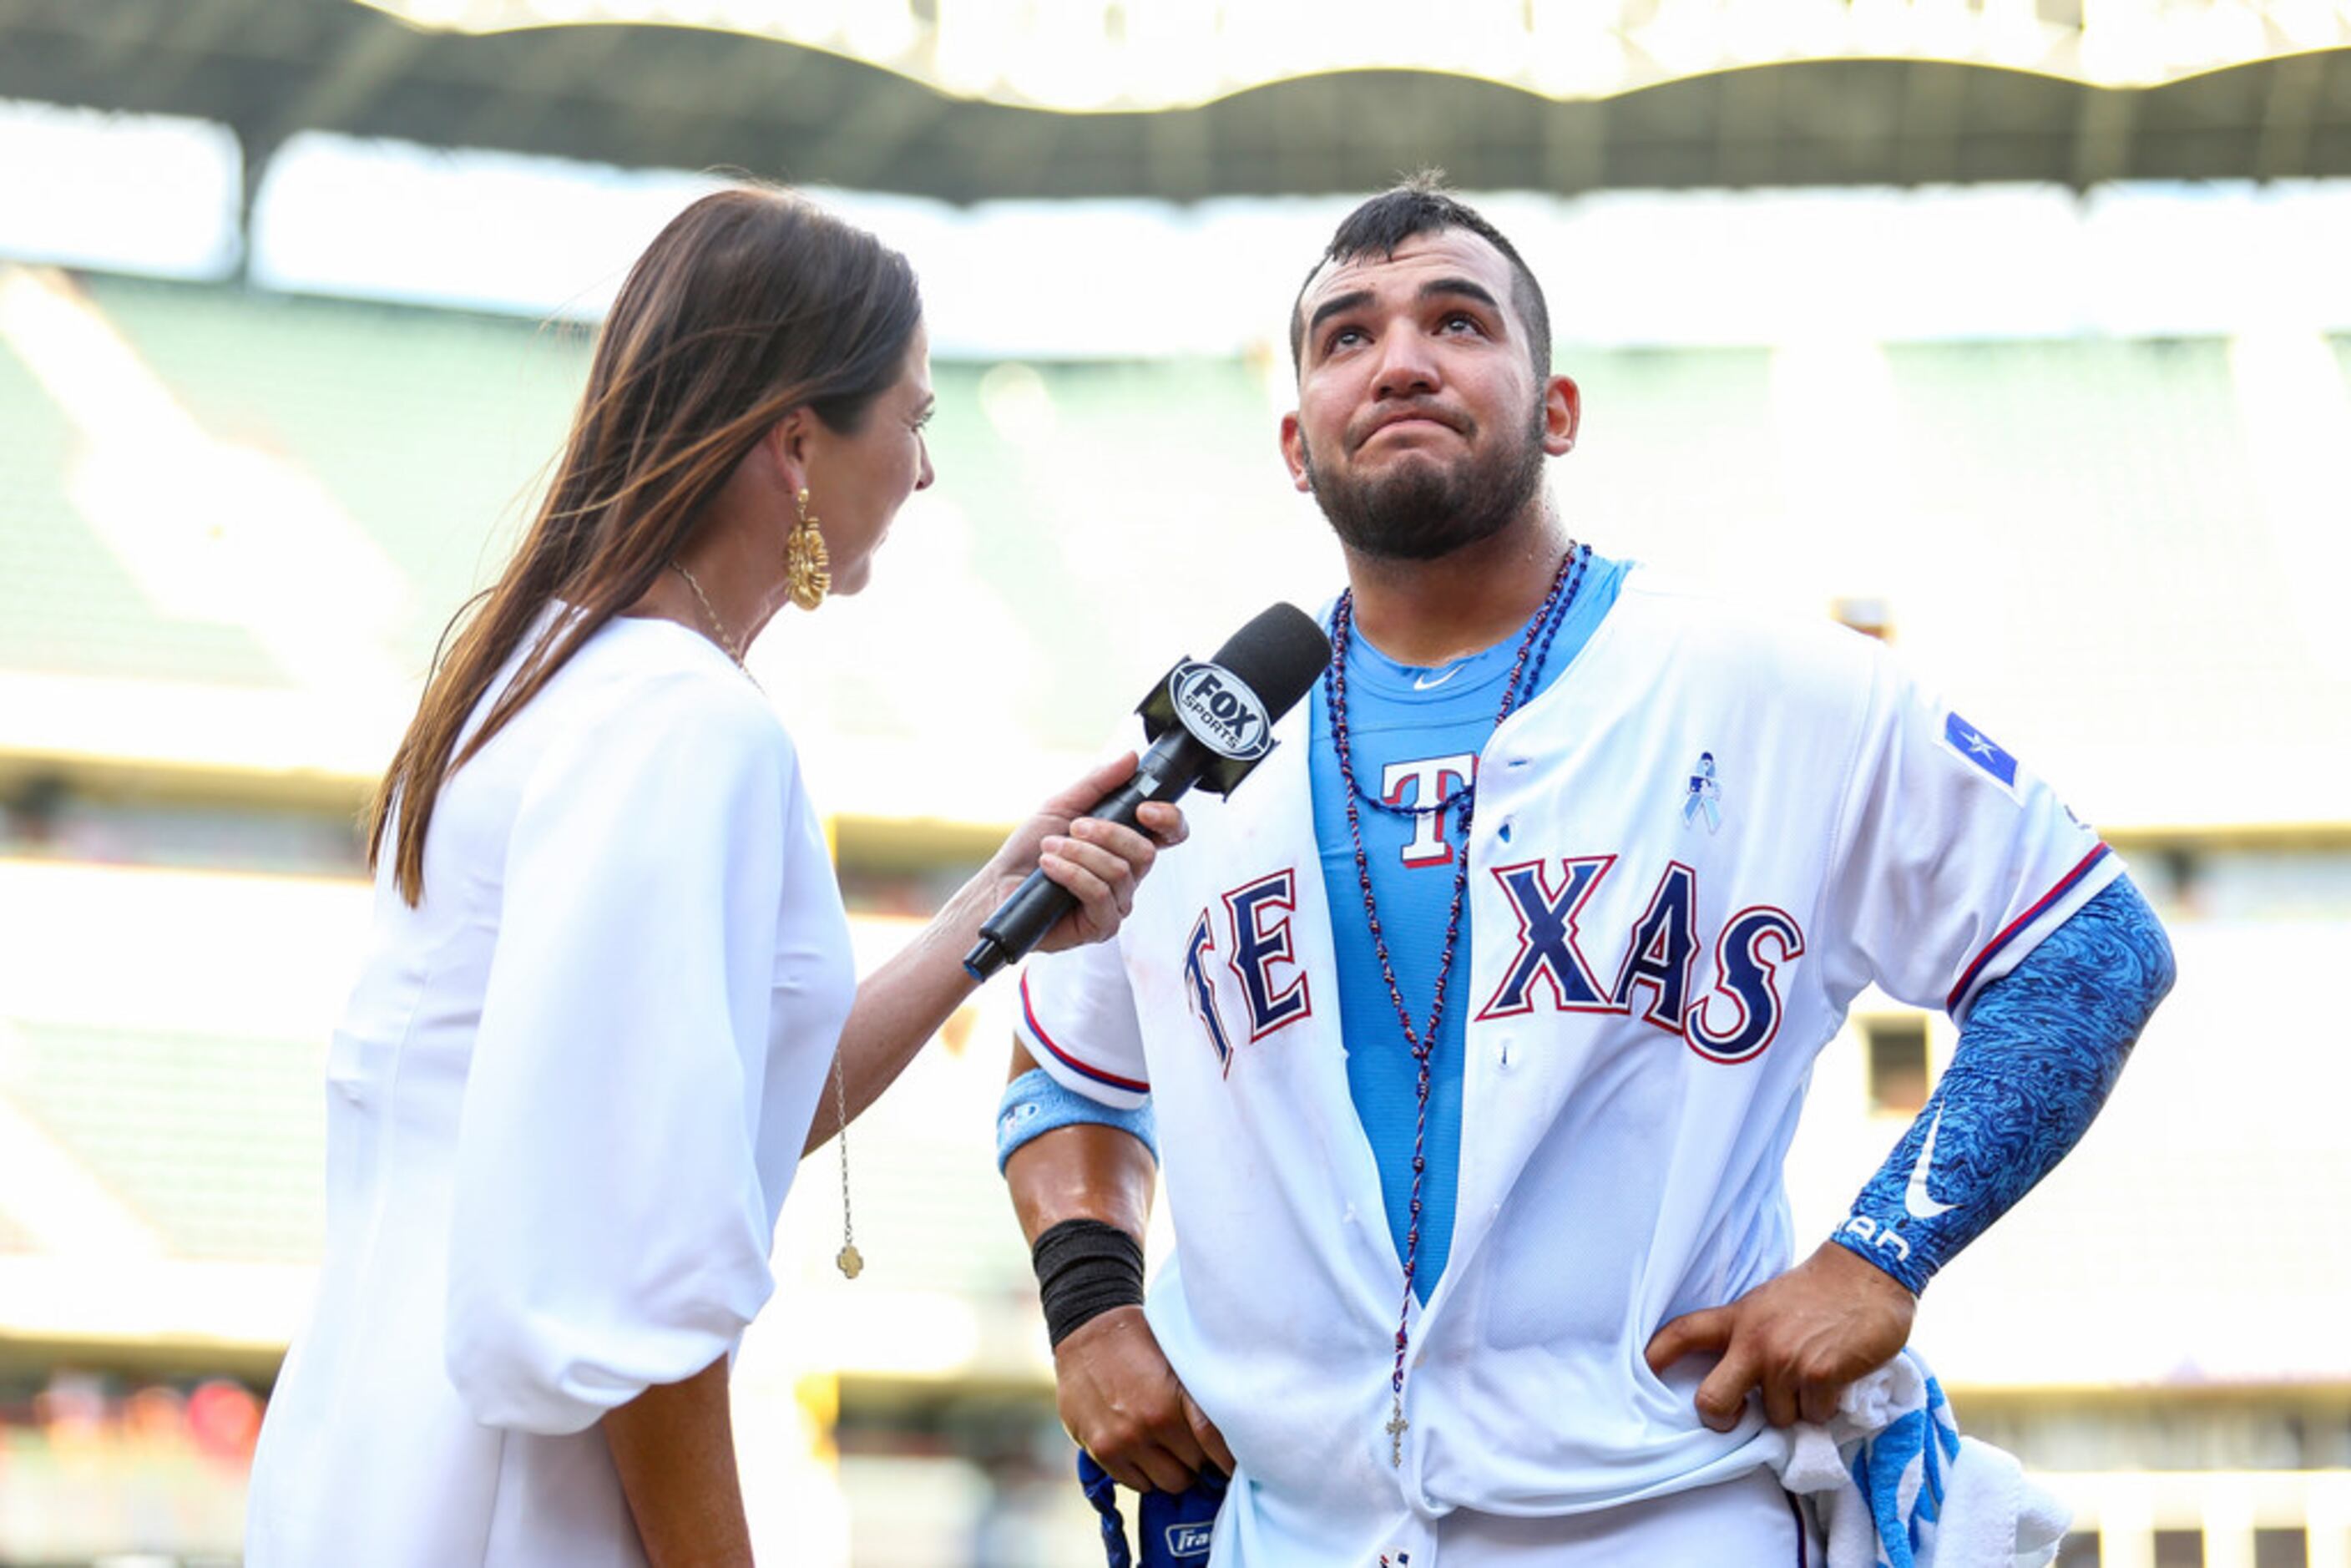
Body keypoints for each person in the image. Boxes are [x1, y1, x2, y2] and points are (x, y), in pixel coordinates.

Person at [997, 179, 2176, 1564]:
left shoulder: (1770, 686)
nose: (1402, 359)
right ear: (1296, 444)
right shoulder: (1192, 760)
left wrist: (1880, 1253)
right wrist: (1090, 1308)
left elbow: (2092, 948)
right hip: (1299, 1529)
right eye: (1346, 337)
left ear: (1557, 411)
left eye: (1456, 319)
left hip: (1661, 1514)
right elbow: (1068, 1069)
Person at [243, 186, 1183, 1568]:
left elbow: (743, 1102)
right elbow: (636, 1284)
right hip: (517, 1508)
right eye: (912, 422)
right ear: (798, 443)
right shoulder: (690, 727)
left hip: (360, 1460)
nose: (924, 474)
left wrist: (997, 902)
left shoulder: (530, 680)